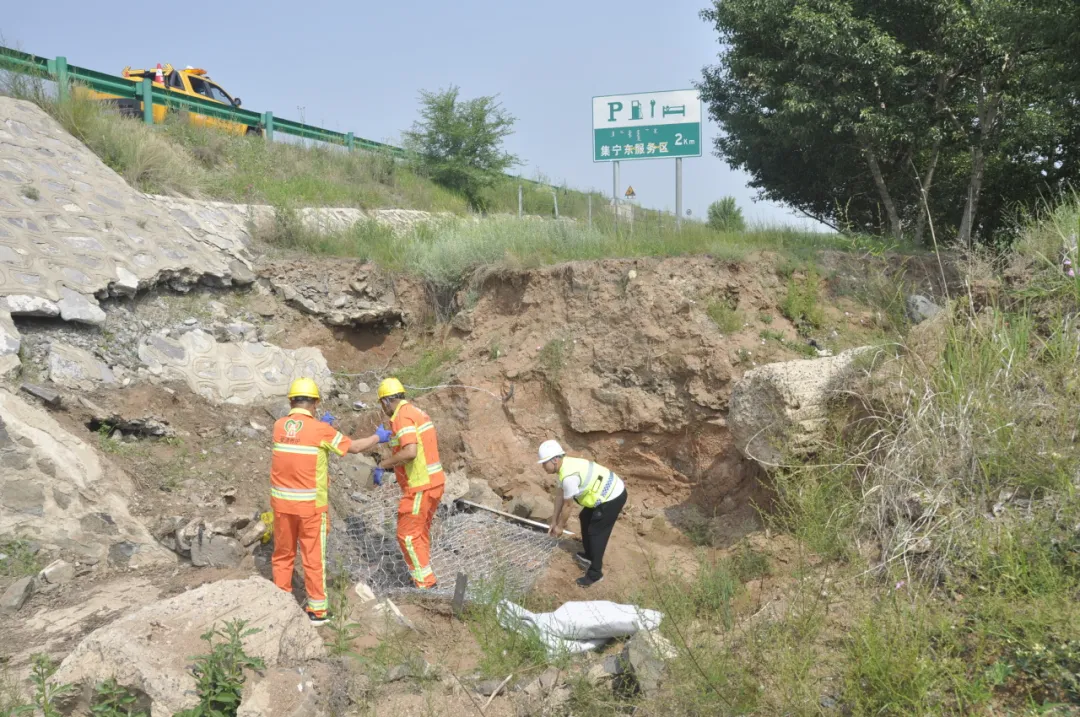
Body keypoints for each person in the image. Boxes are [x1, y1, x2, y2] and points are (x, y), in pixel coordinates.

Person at [270, 377, 391, 625]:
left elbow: (299, 443)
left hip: (282, 506)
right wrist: (377, 438)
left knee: (283, 554)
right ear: (314, 403)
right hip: (310, 508)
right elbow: (354, 448)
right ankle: (317, 611)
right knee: (313, 558)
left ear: (291, 401)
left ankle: (280, 604)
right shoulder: (321, 431)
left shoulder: (280, 426)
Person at [370, 377, 446, 590]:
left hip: (420, 485)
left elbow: (410, 452)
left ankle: (425, 585)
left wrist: (383, 464)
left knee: (408, 535)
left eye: (381, 404)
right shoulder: (415, 412)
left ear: (386, 401)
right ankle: (426, 577)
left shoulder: (401, 417)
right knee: (419, 533)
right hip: (434, 483)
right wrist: (388, 439)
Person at [538, 440, 627, 588]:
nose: (542, 466)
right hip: (604, 492)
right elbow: (559, 496)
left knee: (596, 532)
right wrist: (554, 521)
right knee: (584, 517)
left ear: (554, 459)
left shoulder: (569, 476)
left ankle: (595, 573)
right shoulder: (564, 468)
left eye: (544, 463)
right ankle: (589, 555)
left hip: (613, 496)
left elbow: (568, 505)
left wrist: (560, 527)